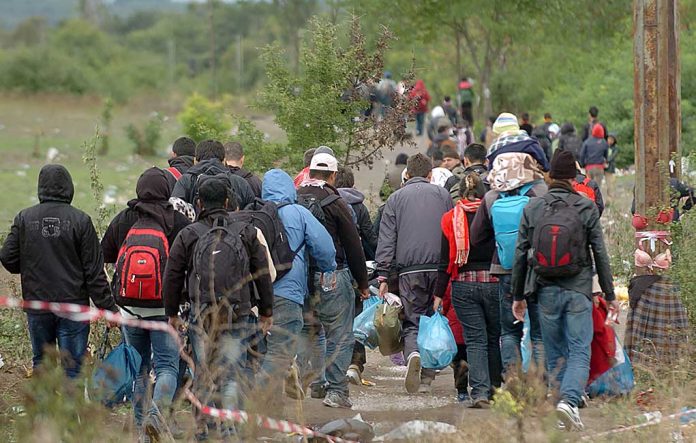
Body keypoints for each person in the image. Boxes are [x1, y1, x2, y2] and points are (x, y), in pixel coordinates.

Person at [511, 150, 617, 432]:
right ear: (574, 177)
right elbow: (600, 254)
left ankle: (561, 406)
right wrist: (609, 294)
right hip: (578, 289)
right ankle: (569, 403)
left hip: (545, 289)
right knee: (579, 349)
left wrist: (518, 296)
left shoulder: (533, 208)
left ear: (549, 175)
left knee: (555, 353)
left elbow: (520, 254)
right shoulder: (586, 207)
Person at [163, 178, 274, 440]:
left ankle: (203, 432)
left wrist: (172, 314)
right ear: (228, 202)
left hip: (202, 317)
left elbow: (172, 276)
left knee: (204, 374)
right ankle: (230, 432)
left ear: (198, 203)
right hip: (238, 314)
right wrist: (267, 312)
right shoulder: (246, 231)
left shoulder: (189, 234)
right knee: (233, 375)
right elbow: (262, 275)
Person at [0, 165, 118, 378]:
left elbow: (7, 258)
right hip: (73, 307)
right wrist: (108, 308)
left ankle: (44, 411)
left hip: (37, 305)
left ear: (40, 188)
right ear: (69, 188)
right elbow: (94, 273)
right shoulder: (81, 221)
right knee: (72, 369)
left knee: (42, 365)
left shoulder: (24, 219)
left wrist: (29, 265)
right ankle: (70, 412)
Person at [101, 167, 191, 441]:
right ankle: (157, 416)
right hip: (164, 310)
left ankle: (142, 431)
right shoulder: (177, 221)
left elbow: (104, 254)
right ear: (167, 190)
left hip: (129, 309)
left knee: (139, 368)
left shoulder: (125, 218)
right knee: (167, 367)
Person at [471, 112, 548, 378]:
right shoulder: (540, 193)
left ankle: (512, 381)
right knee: (538, 332)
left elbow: (476, 237)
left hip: (504, 269)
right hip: (537, 271)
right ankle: (539, 384)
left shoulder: (492, 196)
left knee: (509, 330)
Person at [376, 153, 453, 394]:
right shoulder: (444, 195)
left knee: (412, 320)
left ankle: (413, 355)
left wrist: (383, 275)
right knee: (434, 319)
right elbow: (452, 229)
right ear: (430, 174)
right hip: (440, 268)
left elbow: (387, 239)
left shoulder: (396, 199)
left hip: (409, 270)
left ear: (407, 174)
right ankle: (428, 377)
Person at [297, 151, 369, 409]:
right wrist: (362, 283)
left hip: (299, 279)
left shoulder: (294, 198)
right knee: (339, 334)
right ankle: (336, 391)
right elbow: (353, 244)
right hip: (332, 275)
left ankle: (315, 383)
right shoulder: (335, 201)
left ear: (310, 171)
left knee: (309, 331)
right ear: (334, 175)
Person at [258, 169, 336, 405]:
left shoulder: (255, 214)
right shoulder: (299, 213)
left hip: (253, 296)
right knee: (279, 353)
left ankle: (268, 412)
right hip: (287, 293)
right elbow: (325, 249)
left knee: (261, 353)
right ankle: (251, 402)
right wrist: (327, 268)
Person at [435, 171, 501, 408]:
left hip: (463, 285)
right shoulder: (495, 214)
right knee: (494, 338)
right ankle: (496, 390)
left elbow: (445, 262)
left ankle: (480, 392)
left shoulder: (450, 218)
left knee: (475, 340)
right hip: (494, 282)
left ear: (459, 194)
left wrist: (438, 295)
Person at [172, 139, 255, 210]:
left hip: (194, 227)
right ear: (224, 161)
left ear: (195, 161)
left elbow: (176, 209)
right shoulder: (239, 182)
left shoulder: (185, 181)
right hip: (233, 227)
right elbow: (251, 211)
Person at [579, 124, 609, 189]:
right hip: (599, 168)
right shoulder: (604, 142)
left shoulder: (587, 142)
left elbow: (582, 155)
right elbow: (606, 156)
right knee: (597, 188)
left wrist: (583, 165)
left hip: (589, 168)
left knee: (589, 188)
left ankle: (590, 199)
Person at [605, 133, 619, 199]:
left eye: (611, 139)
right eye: (609, 139)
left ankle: (610, 198)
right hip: (602, 167)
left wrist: (606, 161)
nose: (610, 140)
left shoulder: (615, 148)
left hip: (609, 168)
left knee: (609, 184)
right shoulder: (605, 146)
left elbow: (612, 157)